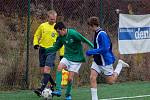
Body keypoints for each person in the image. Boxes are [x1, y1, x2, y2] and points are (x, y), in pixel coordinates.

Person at [46, 22, 94, 100]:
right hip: (67, 57)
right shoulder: (60, 37)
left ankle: (68, 94)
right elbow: (56, 47)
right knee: (59, 68)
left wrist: (93, 48)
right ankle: (58, 90)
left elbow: (84, 39)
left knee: (70, 79)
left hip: (77, 59)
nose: (58, 33)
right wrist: (45, 50)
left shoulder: (73, 33)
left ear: (63, 29)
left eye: (58, 31)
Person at [86, 16, 129, 100]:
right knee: (92, 77)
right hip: (97, 60)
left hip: (105, 61)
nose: (89, 28)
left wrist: (91, 52)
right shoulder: (96, 32)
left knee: (111, 81)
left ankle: (120, 65)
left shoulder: (102, 34)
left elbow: (105, 49)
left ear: (93, 25)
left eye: (89, 26)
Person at [33, 10, 64, 96]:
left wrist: (62, 54)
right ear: (47, 18)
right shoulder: (42, 26)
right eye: (51, 19)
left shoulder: (57, 28)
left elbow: (61, 42)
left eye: (54, 19)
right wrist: (35, 43)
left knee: (47, 70)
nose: (53, 21)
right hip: (42, 50)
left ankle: (41, 89)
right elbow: (36, 35)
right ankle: (53, 84)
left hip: (52, 51)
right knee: (43, 71)